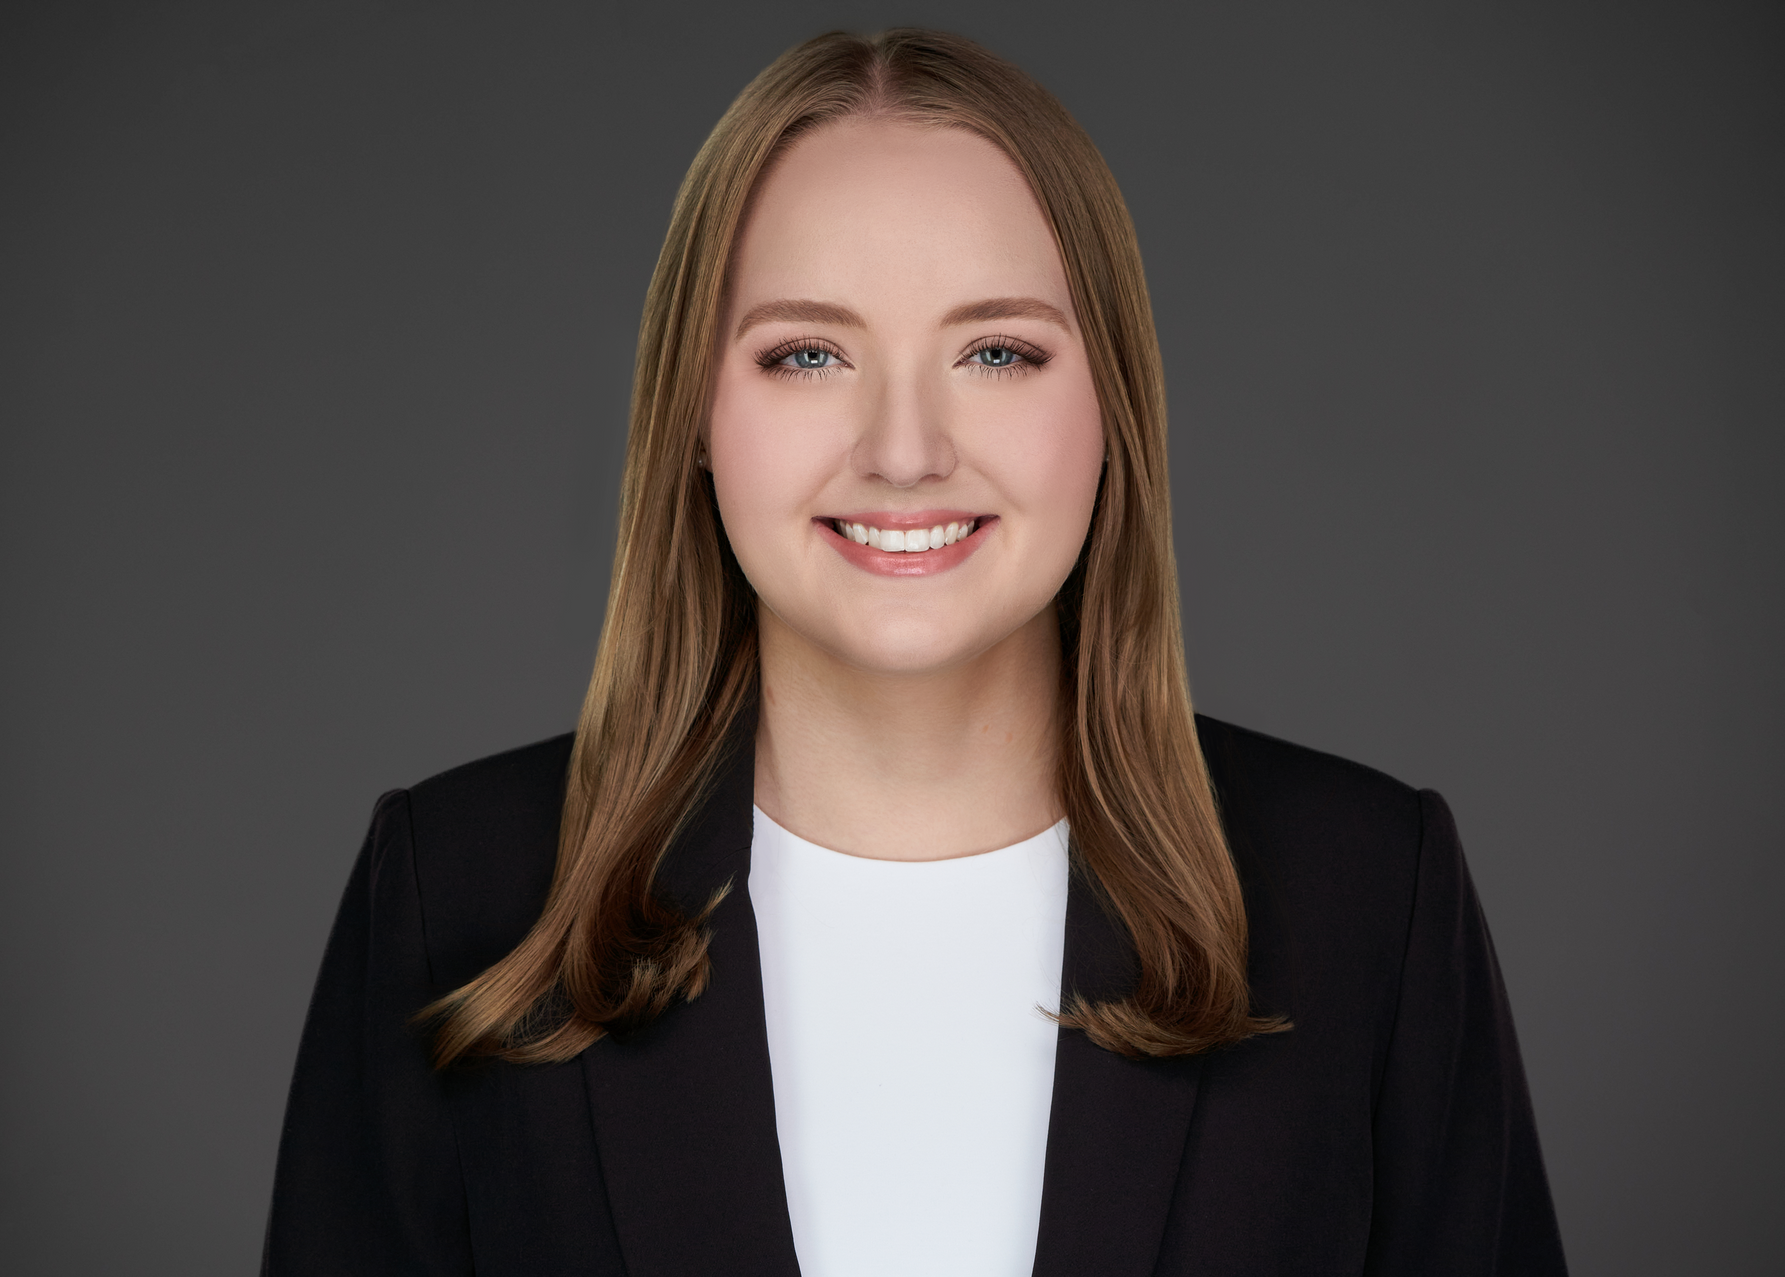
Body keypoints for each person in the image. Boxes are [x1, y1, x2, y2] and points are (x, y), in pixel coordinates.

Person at [263, 28, 1567, 1277]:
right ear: (696, 413)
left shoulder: (1370, 903)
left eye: (996, 351)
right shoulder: (460, 895)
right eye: (809, 354)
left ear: (1112, 403)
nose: (902, 450)